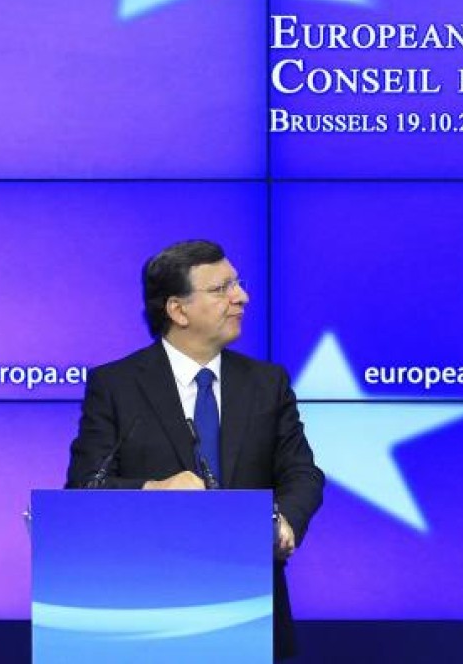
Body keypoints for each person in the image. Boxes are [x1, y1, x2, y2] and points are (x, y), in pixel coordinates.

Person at [66, 239, 324, 660]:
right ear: (177, 310)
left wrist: (286, 524)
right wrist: (154, 489)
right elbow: (83, 487)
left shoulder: (266, 383)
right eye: (222, 288)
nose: (242, 297)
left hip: (250, 604)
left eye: (237, 284)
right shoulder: (116, 386)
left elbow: (302, 473)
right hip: (142, 610)